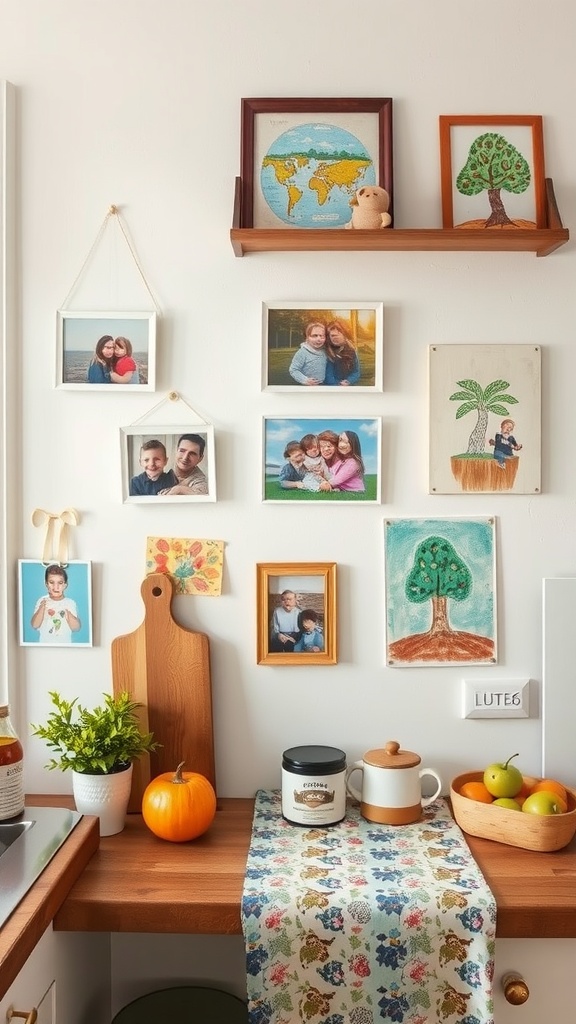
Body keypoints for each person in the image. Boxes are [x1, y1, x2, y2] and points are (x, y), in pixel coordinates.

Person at [30, 564, 81, 643]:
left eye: (60, 583)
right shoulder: (42, 600)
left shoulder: (70, 603)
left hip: (65, 644)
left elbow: (76, 628)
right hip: (45, 644)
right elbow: (35, 625)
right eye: (51, 582)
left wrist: (68, 613)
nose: (56, 587)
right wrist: (42, 607)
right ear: (46, 584)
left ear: (65, 585)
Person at [324, 319, 361, 386]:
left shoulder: (352, 351)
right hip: (332, 387)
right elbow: (328, 376)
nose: (334, 337)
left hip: (347, 385)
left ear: (345, 334)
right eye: (332, 335)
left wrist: (349, 381)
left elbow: (356, 372)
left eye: (338, 334)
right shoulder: (328, 352)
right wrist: (338, 385)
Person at [288, 322, 327, 386]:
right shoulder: (302, 352)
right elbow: (293, 370)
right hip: (307, 386)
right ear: (307, 337)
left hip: (322, 385)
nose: (319, 339)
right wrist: (305, 380)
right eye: (314, 336)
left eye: (322, 336)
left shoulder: (324, 351)